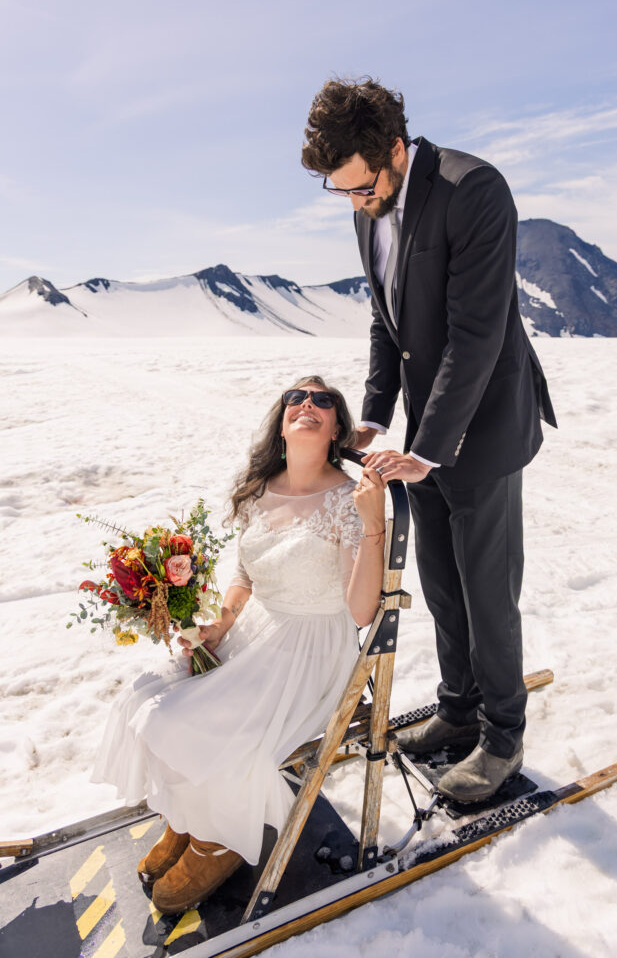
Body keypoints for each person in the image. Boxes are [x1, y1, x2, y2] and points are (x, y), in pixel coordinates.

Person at [301, 78, 557, 803]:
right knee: (442, 586)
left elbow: (476, 335)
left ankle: (502, 737)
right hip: (423, 431)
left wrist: (433, 445)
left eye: (360, 187)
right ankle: (457, 710)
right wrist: (376, 415)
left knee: (486, 592)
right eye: (340, 193)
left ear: (391, 148)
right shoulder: (369, 204)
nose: (355, 203)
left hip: (482, 428)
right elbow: (387, 319)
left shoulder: (473, 189)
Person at [92, 376, 386, 914]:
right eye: (297, 397)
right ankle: (188, 817)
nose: (307, 405)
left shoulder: (349, 498)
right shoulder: (259, 487)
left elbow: (362, 611)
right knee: (149, 696)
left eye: (323, 400)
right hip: (255, 633)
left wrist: (372, 527)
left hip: (309, 646)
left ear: (338, 428)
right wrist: (220, 624)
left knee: (195, 723)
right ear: (281, 421)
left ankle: (219, 839)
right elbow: (246, 575)